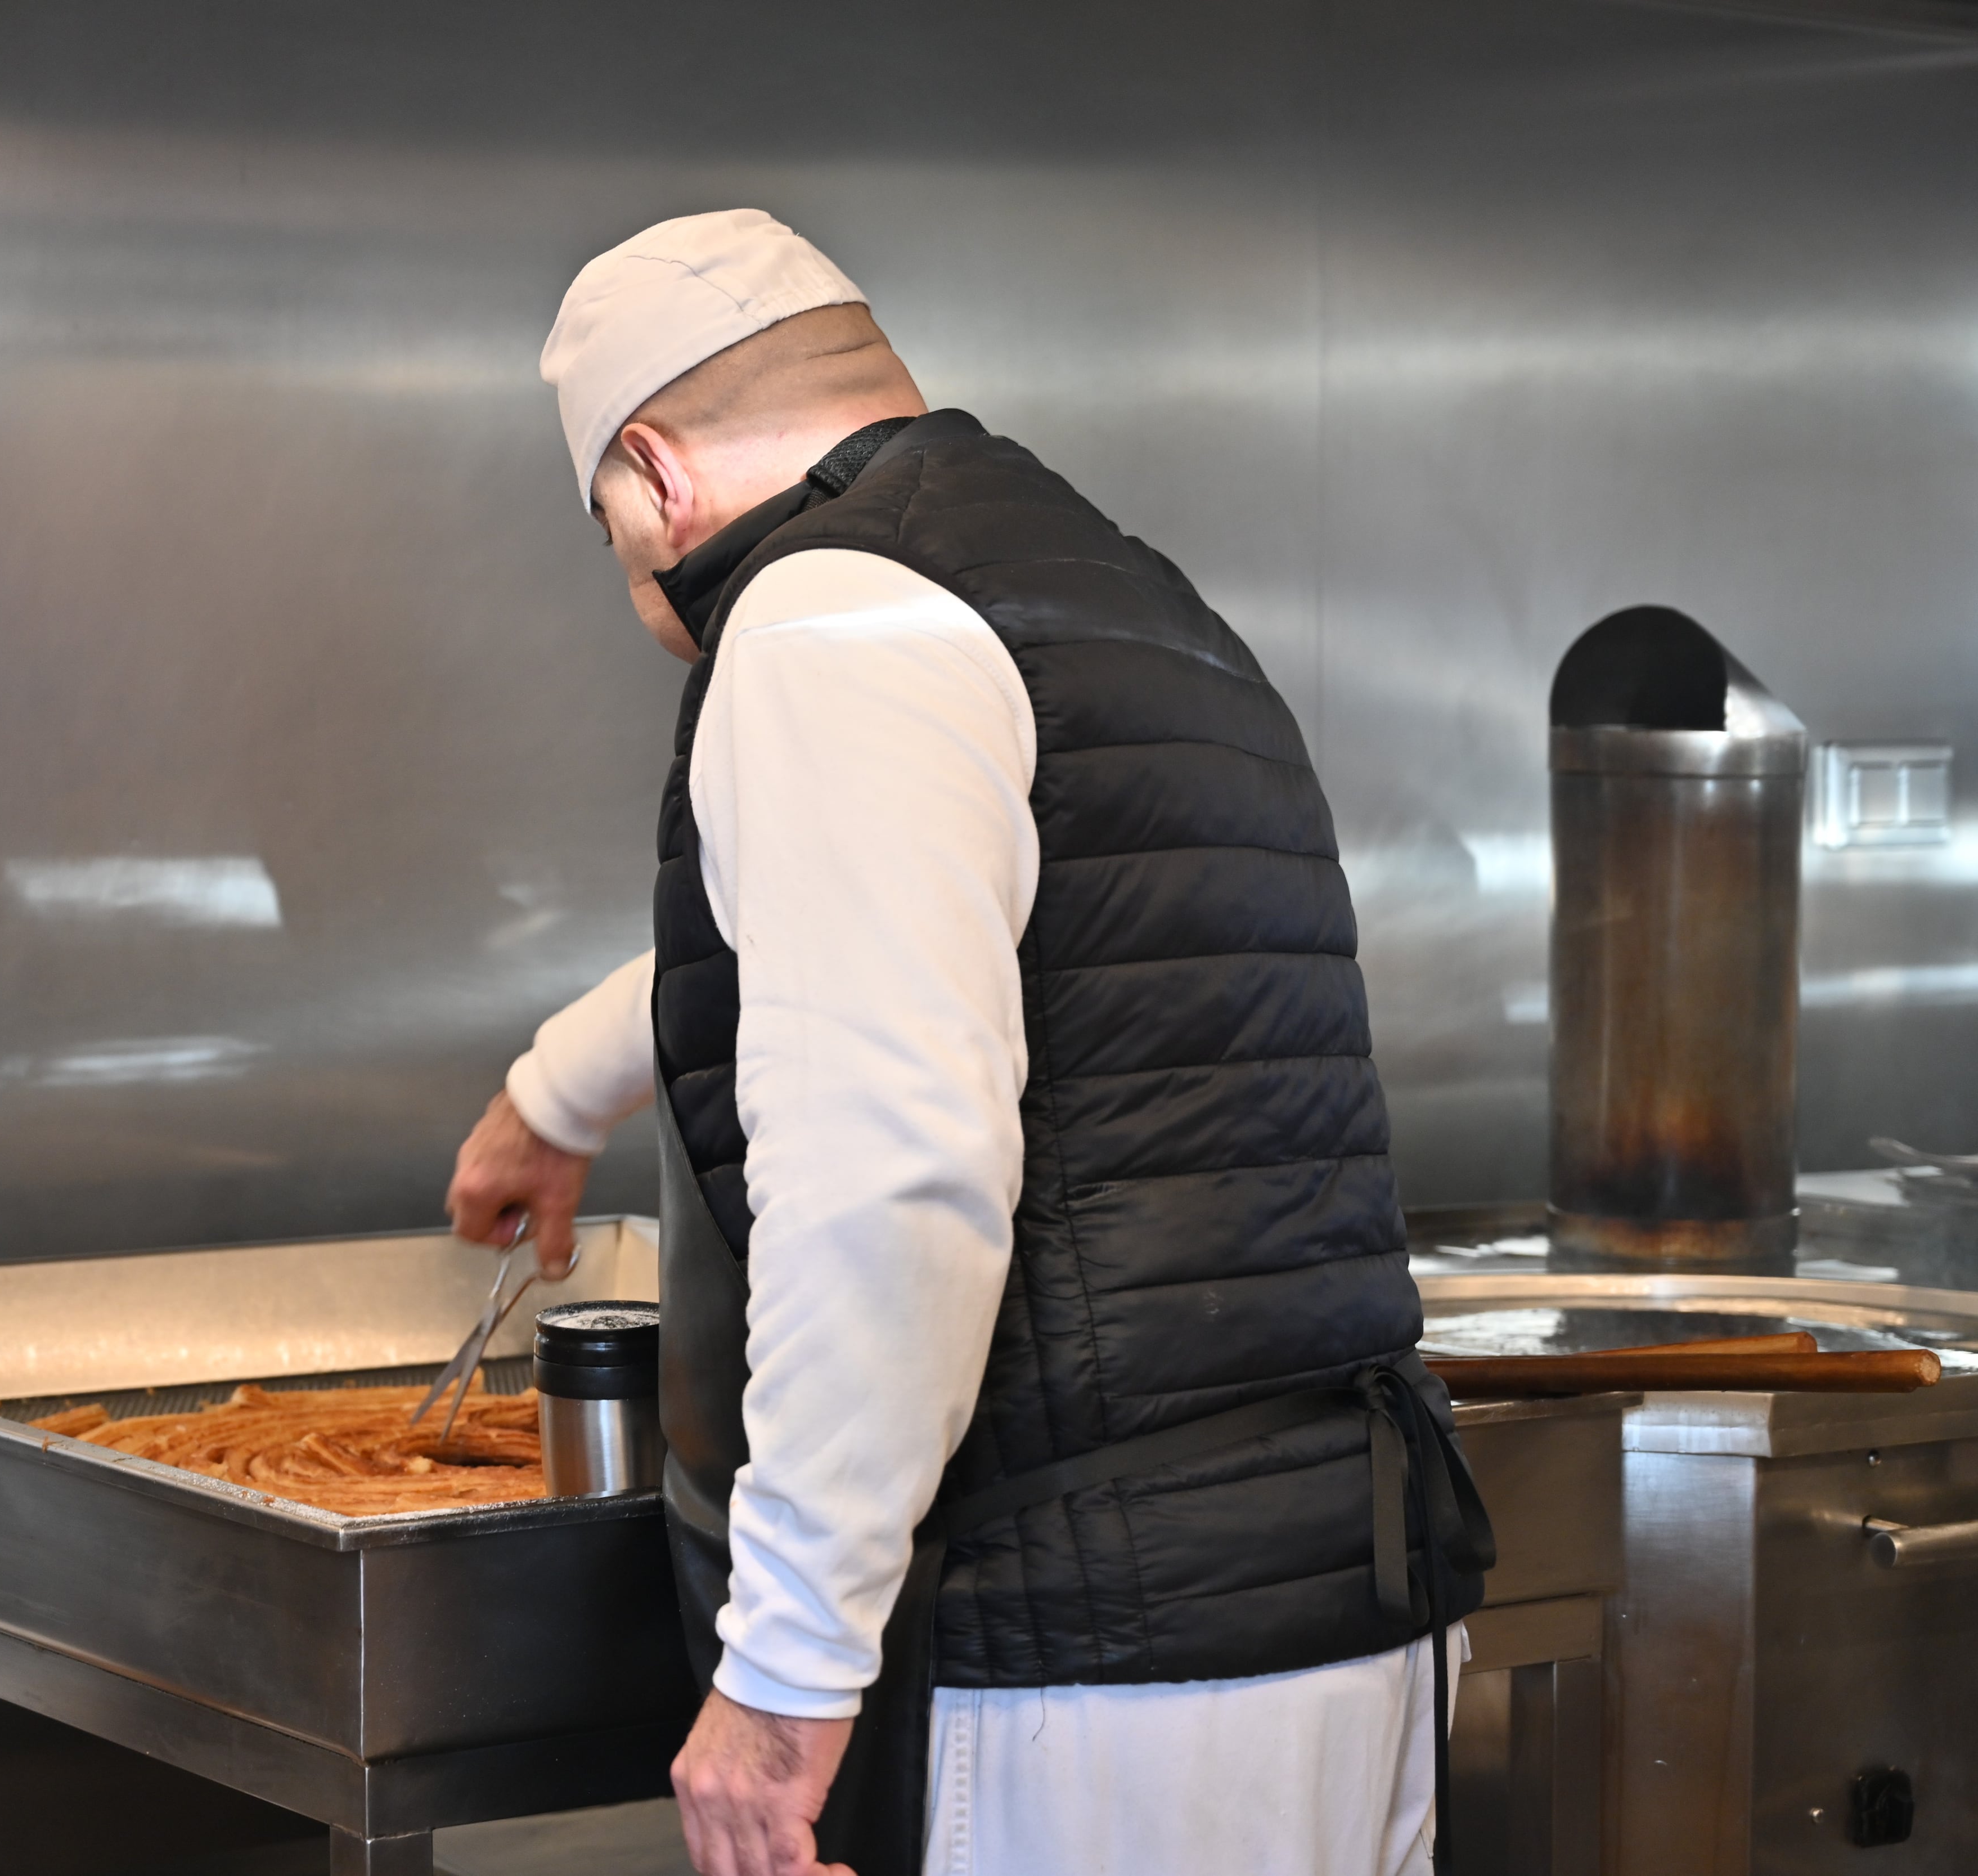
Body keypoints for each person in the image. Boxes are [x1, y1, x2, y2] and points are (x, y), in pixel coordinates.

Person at [446, 209, 1491, 1876]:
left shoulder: (820, 625)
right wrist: (550, 1097)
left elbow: (892, 1167)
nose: (638, 593)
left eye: (609, 542)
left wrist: (784, 1677)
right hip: (1331, 1615)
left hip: (1105, 1668)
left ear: (652, 472)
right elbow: (934, 938)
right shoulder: (1097, 588)